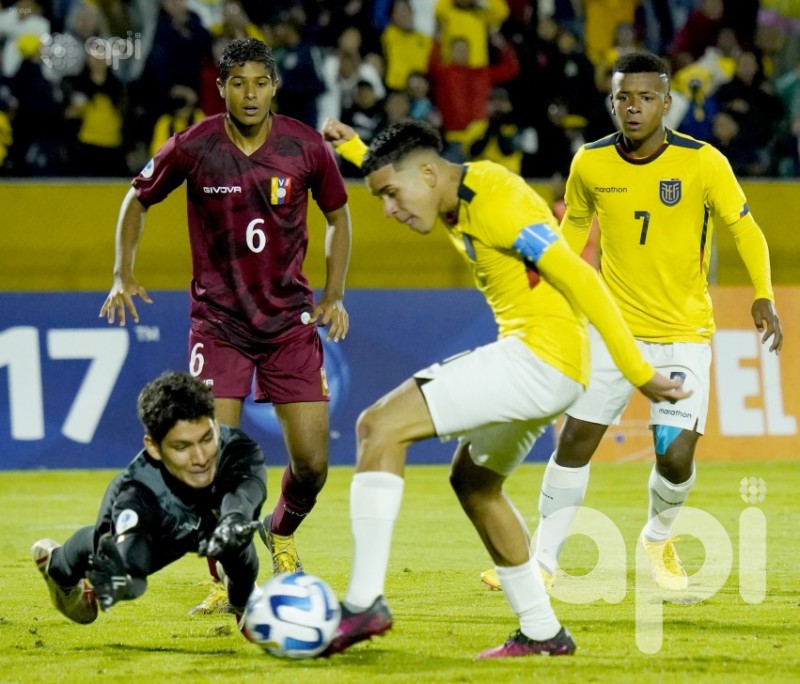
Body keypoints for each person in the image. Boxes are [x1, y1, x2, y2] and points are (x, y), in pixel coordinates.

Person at [319, 117, 689, 658]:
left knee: (379, 426)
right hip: (549, 366)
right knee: (474, 483)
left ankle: (363, 601)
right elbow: (401, 169)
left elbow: (579, 275)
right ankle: (543, 632)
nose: (391, 210)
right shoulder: (442, 188)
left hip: (540, 359)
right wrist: (355, 148)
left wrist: (639, 373)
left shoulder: (495, 200)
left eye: (392, 195)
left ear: (427, 173)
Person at [478, 51, 783, 595]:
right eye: (624, 97)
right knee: (574, 442)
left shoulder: (703, 161)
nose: (634, 107)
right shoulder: (590, 162)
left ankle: (657, 537)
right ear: (611, 101)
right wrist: (551, 287)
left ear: (667, 103)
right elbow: (571, 230)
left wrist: (763, 293)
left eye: (646, 97)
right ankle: (540, 565)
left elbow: (746, 229)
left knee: (675, 454)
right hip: (612, 331)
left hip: (683, 334)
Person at [98, 37, 353, 613]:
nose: (250, 93)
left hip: (289, 324)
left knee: (312, 464)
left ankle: (280, 530)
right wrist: (122, 273)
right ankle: (221, 577)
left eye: (260, 82)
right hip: (218, 327)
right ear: (222, 87)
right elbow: (136, 199)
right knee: (208, 462)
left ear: (274, 87)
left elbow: (338, 215)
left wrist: (334, 294)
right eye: (239, 82)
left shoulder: (304, 146)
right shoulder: (194, 145)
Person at [31, 371, 266, 635]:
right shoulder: (136, 495)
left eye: (206, 439)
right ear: (153, 447)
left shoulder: (236, 448)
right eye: (182, 446)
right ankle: (57, 565)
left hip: (201, 517)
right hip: (158, 525)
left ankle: (243, 602)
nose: (201, 458)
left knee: (239, 545)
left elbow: (247, 488)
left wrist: (235, 517)